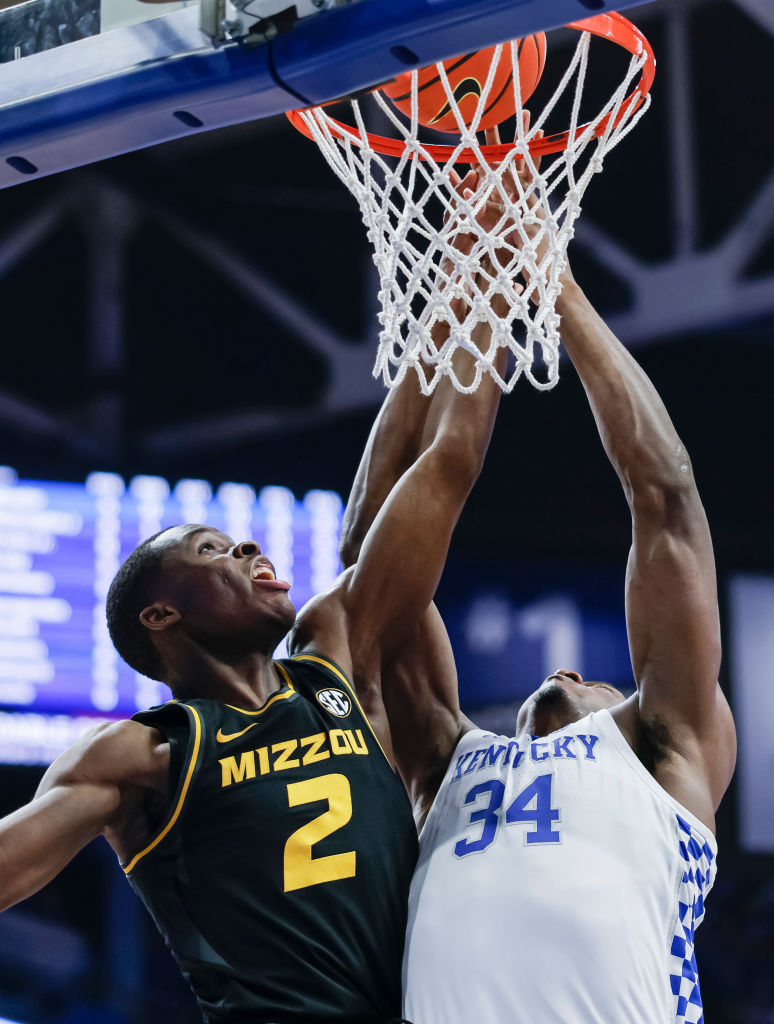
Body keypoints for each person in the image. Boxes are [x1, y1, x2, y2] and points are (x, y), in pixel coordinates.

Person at [0, 168, 516, 1022]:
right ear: (161, 616)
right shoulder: (143, 756)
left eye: (241, 541)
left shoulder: (336, 661)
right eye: (212, 551)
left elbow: (440, 466)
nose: (248, 548)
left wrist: (474, 271)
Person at [340, 229, 737, 1023]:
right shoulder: (445, 764)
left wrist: (555, 288)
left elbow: (665, 493)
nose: (568, 675)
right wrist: (460, 296)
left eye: (598, 684)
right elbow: (373, 562)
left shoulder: (668, 754)